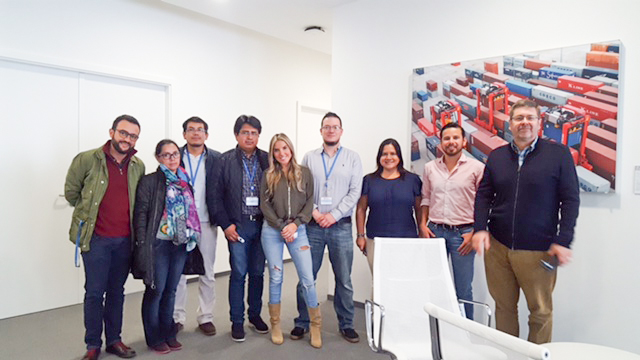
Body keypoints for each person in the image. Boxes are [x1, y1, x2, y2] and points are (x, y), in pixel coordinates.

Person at [472, 99, 580, 344]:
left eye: (530, 117)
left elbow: (570, 200)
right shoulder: (497, 156)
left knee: (540, 312)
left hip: (538, 250)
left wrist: (564, 240)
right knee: (504, 308)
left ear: (539, 123)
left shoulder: (559, 155)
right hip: (498, 248)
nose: (524, 123)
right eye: (519, 118)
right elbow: (484, 194)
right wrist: (480, 228)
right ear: (510, 123)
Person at [65, 115, 144, 360]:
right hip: (96, 239)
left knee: (117, 292)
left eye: (133, 136)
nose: (127, 139)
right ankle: (92, 345)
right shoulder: (87, 159)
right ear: (112, 132)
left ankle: (114, 340)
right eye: (123, 133)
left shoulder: (137, 165)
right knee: (94, 293)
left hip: (124, 242)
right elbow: (71, 193)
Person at [292, 112, 363, 343]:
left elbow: (355, 192)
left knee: (343, 278)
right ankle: (302, 322)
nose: (331, 130)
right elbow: (300, 188)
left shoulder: (352, 158)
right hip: (312, 226)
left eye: (335, 127)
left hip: (340, 226)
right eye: (326, 127)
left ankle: (347, 324)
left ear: (341, 131)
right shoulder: (310, 157)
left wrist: (332, 215)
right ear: (321, 131)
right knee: (307, 276)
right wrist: (314, 212)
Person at [132, 139, 204, 354]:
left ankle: (168, 333)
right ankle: (154, 338)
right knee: (156, 290)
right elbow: (141, 216)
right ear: (158, 158)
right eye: (167, 155)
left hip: (180, 243)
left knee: (171, 291)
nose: (172, 158)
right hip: (158, 244)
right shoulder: (150, 181)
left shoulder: (184, 181)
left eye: (175, 154)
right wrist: (143, 246)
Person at [259, 134, 321, 348]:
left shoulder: (304, 173)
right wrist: (281, 225)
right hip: (272, 231)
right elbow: (264, 205)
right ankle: (275, 324)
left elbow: (310, 200)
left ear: (291, 149)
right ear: (272, 153)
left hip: (298, 230)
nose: (281, 153)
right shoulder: (268, 174)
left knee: (308, 279)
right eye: (277, 150)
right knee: (276, 277)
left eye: (284, 148)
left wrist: (296, 223)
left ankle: (315, 325)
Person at [418, 122, 484, 320]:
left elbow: (484, 204)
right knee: (435, 286)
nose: (451, 142)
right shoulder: (430, 168)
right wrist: (422, 224)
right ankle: (438, 330)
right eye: (447, 138)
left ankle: (466, 334)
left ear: (464, 141)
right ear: (441, 142)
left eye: (455, 138)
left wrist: (475, 232)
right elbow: (426, 198)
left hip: (463, 236)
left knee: (463, 290)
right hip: (435, 232)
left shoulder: (477, 168)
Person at [214, 115, 269, 342]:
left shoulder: (268, 159)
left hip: (263, 224)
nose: (250, 137)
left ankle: (254, 315)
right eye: (245, 132)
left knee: (258, 272)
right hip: (238, 225)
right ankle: (237, 321)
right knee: (238, 273)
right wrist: (226, 225)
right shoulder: (224, 160)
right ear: (237, 135)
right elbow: (214, 196)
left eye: (254, 133)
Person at [173, 117, 221, 336]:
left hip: (206, 221)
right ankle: (176, 316)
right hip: (181, 221)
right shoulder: (174, 157)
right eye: (190, 130)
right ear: (184, 134)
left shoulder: (216, 159)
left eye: (200, 130)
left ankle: (205, 316)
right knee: (179, 272)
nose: (195, 133)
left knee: (208, 272)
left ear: (206, 135)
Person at [355, 138, 422, 271]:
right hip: (376, 240)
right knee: (379, 283)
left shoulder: (412, 180)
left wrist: (421, 232)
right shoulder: (369, 180)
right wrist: (360, 236)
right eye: (384, 154)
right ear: (379, 157)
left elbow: (419, 209)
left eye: (393, 153)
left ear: (399, 157)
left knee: (403, 281)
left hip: (406, 239)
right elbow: (361, 209)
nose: (388, 157)